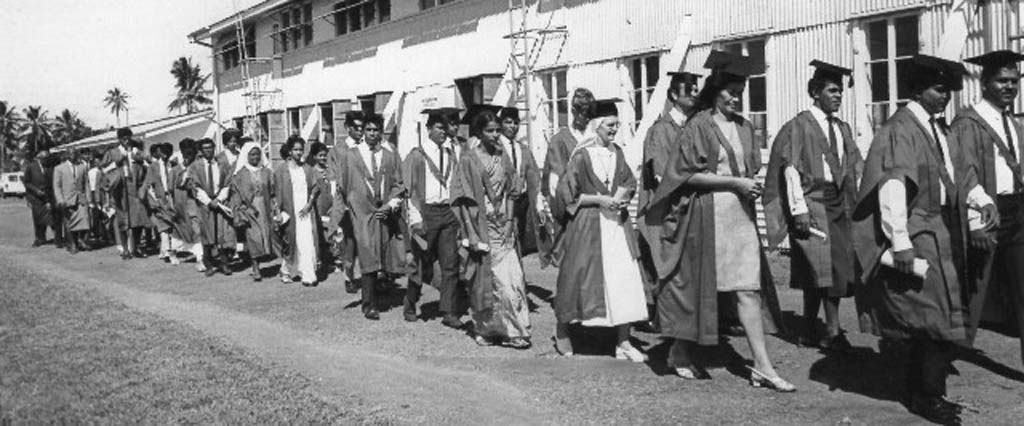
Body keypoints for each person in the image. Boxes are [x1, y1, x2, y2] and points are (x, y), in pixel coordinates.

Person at [853, 54, 998, 424]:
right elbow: (893, 184)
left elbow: (958, 173)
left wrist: (980, 199)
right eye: (939, 89)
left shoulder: (939, 128)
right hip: (919, 229)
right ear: (917, 89)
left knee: (940, 314)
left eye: (948, 90)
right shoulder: (901, 129)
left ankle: (926, 390)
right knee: (931, 316)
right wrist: (898, 240)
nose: (945, 96)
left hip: (946, 229)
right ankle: (925, 396)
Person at [645, 51, 790, 389]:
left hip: (740, 217)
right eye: (731, 91)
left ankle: (763, 367)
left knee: (747, 290)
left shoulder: (744, 126)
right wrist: (734, 183)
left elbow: (749, 169)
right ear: (716, 90)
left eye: (741, 90)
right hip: (707, 215)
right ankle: (679, 351)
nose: (736, 97)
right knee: (699, 288)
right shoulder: (699, 125)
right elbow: (684, 176)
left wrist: (747, 186)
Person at [763, 61, 864, 351]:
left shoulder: (842, 128)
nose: (838, 96)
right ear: (815, 92)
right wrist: (799, 210)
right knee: (814, 267)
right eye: (832, 90)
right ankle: (815, 327)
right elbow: (790, 169)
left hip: (839, 202)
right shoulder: (800, 126)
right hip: (812, 202)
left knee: (836, 267)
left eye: (840, 92)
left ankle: (830, 329)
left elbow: (854, 165)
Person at [549, 99, 648, 362]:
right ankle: (563, 331)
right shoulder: (581, 156)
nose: (614, 130)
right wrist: (599, 199)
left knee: (623, 278)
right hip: (588, 224)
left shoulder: (618, 153)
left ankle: (623, 340)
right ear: (596, 126)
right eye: (610, 125)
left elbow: (628, 180)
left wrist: (622, 196)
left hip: (615, 224)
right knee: (576, 276)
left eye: (616, 125)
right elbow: (565, 194)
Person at [953, 50, 1024, 366]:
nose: (1009, 87)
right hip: (986, 213)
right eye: (1001, 81)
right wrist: (975, 221)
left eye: (1014, 80)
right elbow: (963, 172)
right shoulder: (969, 123)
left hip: (1018, 212)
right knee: (970, 287)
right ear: (985, 83)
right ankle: (937, 357)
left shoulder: (1014, 123)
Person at [454, 108, 532, 348]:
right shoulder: (468, 159)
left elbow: (512, 191)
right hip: (480, 225)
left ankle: (515, 330)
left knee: (511, 279)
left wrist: (509, 222)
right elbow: (464, 200)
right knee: (484, 281)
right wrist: (471, 233)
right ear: (479, 132)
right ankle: (486, 329)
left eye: (498, 130)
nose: (496, 135)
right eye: (490, 131)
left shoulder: (502, 155)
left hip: (503, 226)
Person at [636, 71, 701, 334]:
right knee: (662, 265)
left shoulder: (693, 127)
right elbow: (663, 176)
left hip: (687, 206)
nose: (695, 94)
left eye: (697, 90)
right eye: (691, 90)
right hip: (663, 209)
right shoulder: (660, 130)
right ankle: (660, 317)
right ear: (674, 95)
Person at [336, 113, 406, 319]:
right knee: (367, 252)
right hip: (363, 213)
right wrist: (347, 209)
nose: (372, 134)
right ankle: (369, 304)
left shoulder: (389, 154)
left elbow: (398, 184)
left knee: (384, 252)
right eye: (368, 130)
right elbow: (344, 185)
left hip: (384, 211)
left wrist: (391, 204)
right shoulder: (351, 155)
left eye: (376, 130)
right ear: (362, 132)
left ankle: (382, 290)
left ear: (381, 132)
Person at [403, 111, 466, 327]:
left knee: (450, 263)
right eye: (438, 127)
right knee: (419, 262)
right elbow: (410, 190)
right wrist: (415, 219)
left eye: (445, 128)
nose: (442, 132)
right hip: (426, 213)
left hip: (448, 212)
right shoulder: (417, 155)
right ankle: (411, 300)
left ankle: (449, 311)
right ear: (428, 129)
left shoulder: (452, 152)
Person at [541, 88, 596, 265]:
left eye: (589, 113)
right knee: (571, 261)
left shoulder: (596, 136)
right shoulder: (560, 140)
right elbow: (555, 181)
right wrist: (564, 208)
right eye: (581, 111)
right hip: (570, 208)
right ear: (572, 111)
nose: (585, 117)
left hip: (595, 206)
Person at [497, 107, 549, 263]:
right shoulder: (496, 147)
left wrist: (539, 204)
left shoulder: (523, 148)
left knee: (519, 238)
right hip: (503, 202)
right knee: (506, 239)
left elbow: (534, 177)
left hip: (523, 202)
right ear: (501, 124)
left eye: (515, 123)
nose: (512, 126)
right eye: (508, 122)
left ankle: (516, 277)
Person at [327, 111, 366, 291]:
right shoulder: (338, 150)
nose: (360, 131)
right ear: (347, 128)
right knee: (350, 244)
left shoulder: (367, 146)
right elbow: (333, 180)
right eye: (356, 128)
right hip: (348, 204)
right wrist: (340, 204)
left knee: (368, 242)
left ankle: (372, 277)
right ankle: (349, 276)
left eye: (362, 127)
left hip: (367, 203)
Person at [274, 135, 321, 286]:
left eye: (301, 149)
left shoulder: (306, 168)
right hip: (289, 209)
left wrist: (309, 204)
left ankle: (308, 274)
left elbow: (315, 187)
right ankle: (286, 269)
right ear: (289, 151)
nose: (299, 152)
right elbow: (276, 192)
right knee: (291, 242)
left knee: (307, 241)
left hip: (305, 210)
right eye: (295, 149)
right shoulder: (281, 170)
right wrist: (278, 212)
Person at [187, 138, 235, 276]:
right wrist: (208, 202)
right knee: (207, 235)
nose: (208, 150)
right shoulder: (195, 166)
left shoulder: (222, 164)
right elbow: (195, 187)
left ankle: (224, 264)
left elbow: (228, 183)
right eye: (205, 148)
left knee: (222, 234)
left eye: (211, 147)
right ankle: (208, 264)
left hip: (220, 201)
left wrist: (219, 199)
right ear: (201, 151)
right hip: (204, 204)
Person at [231, 141, 276, 281]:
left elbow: (273, 191)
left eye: (257, 154)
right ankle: (255, 266)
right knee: (253, 237)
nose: (255, 157)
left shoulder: (267, 172)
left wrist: (275, 208)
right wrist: (239, 211)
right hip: (250, 209)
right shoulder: (240, 174)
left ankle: (271, 262)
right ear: (246, 155)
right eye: (252, 154)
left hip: (265, 206)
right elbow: (236, 194)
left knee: (268, 236)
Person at [171, 139, 203, 268]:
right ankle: (174, 252)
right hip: (185, 203)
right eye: (185, 153)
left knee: (199, 229)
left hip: (199, 202)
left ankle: (201, 258)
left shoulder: (199, 164)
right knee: (185, 230)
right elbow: (176, 185)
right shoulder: (178, 169)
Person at [141, 142, 176, 261]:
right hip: (159, 198)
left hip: (171, 198)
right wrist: (153, 200)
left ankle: (163, 250)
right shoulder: (153, 167)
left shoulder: (173, 165)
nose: (166, 156)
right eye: (164, 153)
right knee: (163, 225)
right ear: (160, 153)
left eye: (168, 153)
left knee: (170, 225)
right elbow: (148, 184)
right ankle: (167, 251)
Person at [53, 149, 90, 254]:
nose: (73, 155)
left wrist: (88, 198)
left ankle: (81, 239)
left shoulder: (82, 167)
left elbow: (86, 183)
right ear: (67, 155)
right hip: (67, 200)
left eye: (75, 153)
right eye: (71, 153)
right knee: (69, 223)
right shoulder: (59, 168)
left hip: (81, 199)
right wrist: (60, 199)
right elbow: (57, 186)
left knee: (85, 221)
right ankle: (72, 244)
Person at [306, 141, 335, 276]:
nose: (323, 158)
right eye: (320, 155)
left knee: (332, 233)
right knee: (320, 234)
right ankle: (323, 261)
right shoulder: (312, 172)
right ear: (314, 157)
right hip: (319, 205)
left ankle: (333, 259)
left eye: (325, 155)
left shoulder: (330, 170)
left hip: (331, 205)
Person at [23, 149, 51, 247]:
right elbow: (26, 182)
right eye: (44, 158)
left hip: (46, 197)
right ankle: (38, 238)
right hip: (35, 197)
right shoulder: (31, 167)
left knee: (46, 217)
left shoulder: (48, 166)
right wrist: (36, 190)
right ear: (39, 158)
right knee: (37, 218)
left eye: (47, 158)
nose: (46, 160)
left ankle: (43, 237)